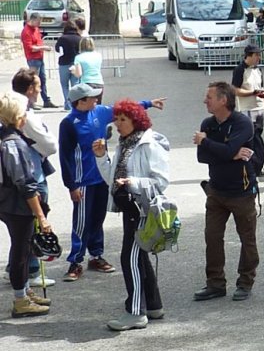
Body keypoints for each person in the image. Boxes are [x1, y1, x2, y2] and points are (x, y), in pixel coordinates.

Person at [59, 84, 165, 282]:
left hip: (102, 177)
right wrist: (71, 185)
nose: (96, 100)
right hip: (83, 182)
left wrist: (149, 103)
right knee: (82, 222)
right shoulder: (68, 123)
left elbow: (124, 110)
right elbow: (65, 157)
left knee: (98, 218)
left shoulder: (99, 111)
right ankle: (75, 261)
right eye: (91, 98)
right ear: (80, 102)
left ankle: (96, 256)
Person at [93, 100, 169, 331]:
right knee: (139, 258)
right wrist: (101, 157)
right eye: (116, 119)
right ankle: (153, 305)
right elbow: (111, 180)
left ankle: (136, 312)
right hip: (130, 208)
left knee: (130, 258)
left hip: (143, 210)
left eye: (122, 119)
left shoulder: (148, 144)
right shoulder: (125, 144)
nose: (117, 124)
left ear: (135, 121)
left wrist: (133, 182)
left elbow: (161, 181)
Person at [193, 82, 259, 302]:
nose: (205, 100)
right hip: (216, 191)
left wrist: (208, 143)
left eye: (209, 97)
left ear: (223, 100)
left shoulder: (242, 123)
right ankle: (215, 284)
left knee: (247, 239)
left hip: (242, 192)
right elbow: (202, 157)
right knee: (212, 237)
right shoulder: (208, 123)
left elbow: (224, 150)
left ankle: (245, 282)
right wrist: (228, 153)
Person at [0, 92, 53, 318]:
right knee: (21, 250)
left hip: (8, 201)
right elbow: (25, 184)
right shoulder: (14, 144)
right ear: (18, 116)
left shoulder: (5, 136)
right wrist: (40, 215)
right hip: (17, 205)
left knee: (22, 247)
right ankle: (21, 300)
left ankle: (25, 291)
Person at [7, 69, 58, 288]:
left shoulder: (10, 112)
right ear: (29, 89)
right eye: (37, 86)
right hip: (32, 176)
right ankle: (31, 271)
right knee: (30, 228)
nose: (40, 90)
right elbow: (50, 146)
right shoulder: (24, 117)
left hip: (17, 181)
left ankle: (16, 269)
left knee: (20, 232)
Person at [231, 43, 264, 177]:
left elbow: (261, 88)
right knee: (251, 139)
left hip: (259, 108)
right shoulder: (240, 70)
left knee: (258, 136)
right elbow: (235, 90)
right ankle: (252, 166)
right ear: (250, 56)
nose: (259, 57)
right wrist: (252, 92)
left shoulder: (258, 70)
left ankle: (257, 165)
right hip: (246, 109)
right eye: (257, 55)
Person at [20, 13, 57, 109]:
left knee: (42, 80)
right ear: (33, 20)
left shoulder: (36, 29)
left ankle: (46, 100)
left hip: (40, 58)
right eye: (38, 21)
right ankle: (31, 103)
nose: (39, 24)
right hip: (33, 59)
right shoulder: (26, 31)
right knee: (34, 81)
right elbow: (30, 48)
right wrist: (43, 47)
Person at [54, 20, 82, 110]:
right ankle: (75, 103)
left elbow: (57, 49)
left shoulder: (62, 38)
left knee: (64, 85)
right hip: (75, 63)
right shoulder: (79, 38)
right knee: (75, 84)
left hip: (64, 64)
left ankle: (67, 103)